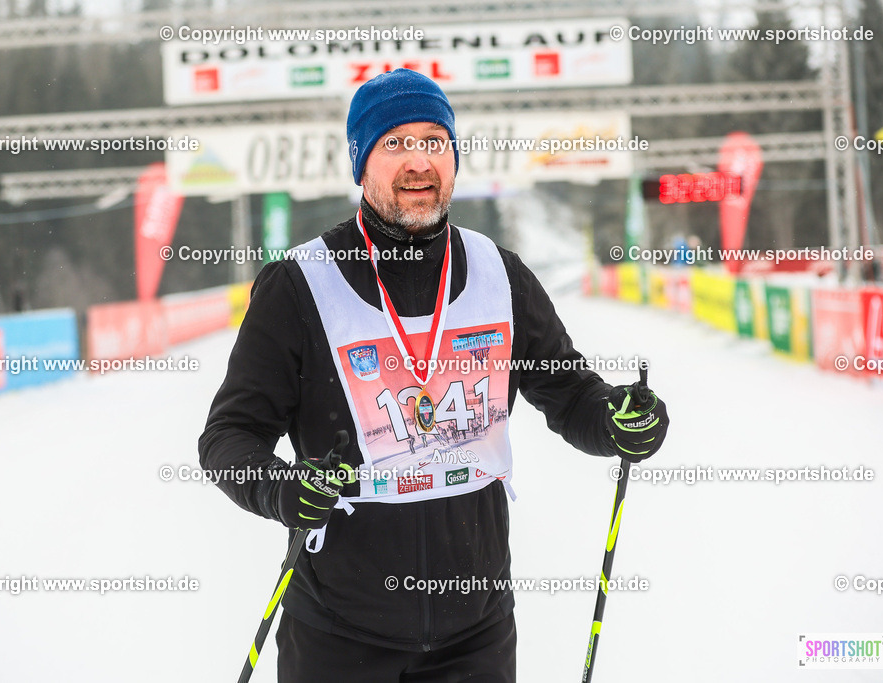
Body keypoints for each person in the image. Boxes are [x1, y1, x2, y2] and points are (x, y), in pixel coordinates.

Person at [198, 68, 669, 682]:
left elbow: (571, 394)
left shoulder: (501, 275)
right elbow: (228, 437)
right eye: (394, 143)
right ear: (360, 164)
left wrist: (618, 421)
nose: (418, 161)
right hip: (339, 638)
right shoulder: (300, 286)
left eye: (434, 142)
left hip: (475, 639)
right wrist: (280, 488)